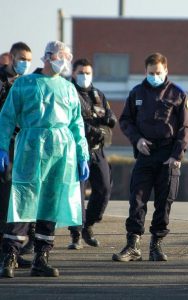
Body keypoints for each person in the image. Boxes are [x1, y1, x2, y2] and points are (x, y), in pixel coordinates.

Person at [0, 41, 89, 278]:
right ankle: (9, 257)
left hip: (62, 150)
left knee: (51, 201)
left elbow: (76, 124)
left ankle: (41, 258)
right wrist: (1, 146)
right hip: (31, 146)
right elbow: (7, 117)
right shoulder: (25, 84)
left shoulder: (68, 88)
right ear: (48, 57)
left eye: (67, 58)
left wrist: (82, 154)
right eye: (61, 57)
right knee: (23, 200)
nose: (64, 62)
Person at [113, 53, 188, 263]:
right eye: (151, 73)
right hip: (145, 153)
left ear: (166, 70)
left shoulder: (178, 94)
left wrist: (177, 154)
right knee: (137, 199)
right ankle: (133, 245)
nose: (155, 76)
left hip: (168, 155)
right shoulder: (137, 93)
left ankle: (156, 245)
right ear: (145, 72)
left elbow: (186, 129)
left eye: (158, 72)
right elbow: (125, 121)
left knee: (164, 202)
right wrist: (137, 139)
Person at [67, 58, 117, 250]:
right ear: (73, 73)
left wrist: (109, 119)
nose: (85, 76)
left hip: (97, 150)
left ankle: (89, 224)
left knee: (104, 188)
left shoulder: (98, 95)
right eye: (81, 72)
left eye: (88, 73)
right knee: (76, 193)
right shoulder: (69, 92)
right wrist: (89, 129)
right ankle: (76, 233)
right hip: (76, 151)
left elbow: (108, 114)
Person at [0, 42, 33, 267]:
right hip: (4, 146)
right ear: (11, 58)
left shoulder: (26, 83)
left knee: (15, 198)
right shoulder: (2, 82)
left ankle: (11, 250)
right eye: (21, 59)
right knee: (3, 199)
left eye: (28, 60)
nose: (25, 63)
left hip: (20, 146)